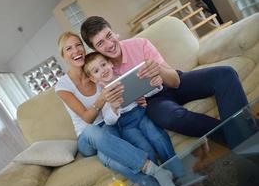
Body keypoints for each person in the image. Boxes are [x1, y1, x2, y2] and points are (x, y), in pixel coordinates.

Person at [80, 16, 252, 148]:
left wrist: (159, 71)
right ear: (95, 49)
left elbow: (176, 82)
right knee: (173, 117)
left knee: (225, 74)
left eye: (109, 35)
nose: (109, 44)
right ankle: (246, 139)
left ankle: (245, 141)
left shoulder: (140, 44)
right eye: (101, 43)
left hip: (172, 82)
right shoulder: (102, 70)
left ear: (114, 31)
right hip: (153, 102)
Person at [55, 31, 178, 186]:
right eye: (69, 48)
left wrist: (135, 96)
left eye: (78, 45)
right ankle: (154, 170)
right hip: (87, 135)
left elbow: (123, 91)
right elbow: (87, 119)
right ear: (63, 55)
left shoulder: (96, 70)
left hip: (109, 125)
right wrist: (102, 99)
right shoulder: (63, 85)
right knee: (92, 131)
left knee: (107, 157)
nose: (76, 51)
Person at [82, 51, 184, 179]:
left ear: (110, 63)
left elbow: (145, 92)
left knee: (159, 138)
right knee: (146, 149)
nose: (102, 70)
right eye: (96, 71)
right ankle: (160, 179)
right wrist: (114, 107)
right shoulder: (103, 96)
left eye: (103, 65)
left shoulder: (127, 79)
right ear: (92, 78)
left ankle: (179, 172)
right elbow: (109, 121)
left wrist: (156, 85)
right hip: (127, 127)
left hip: (142, 117)